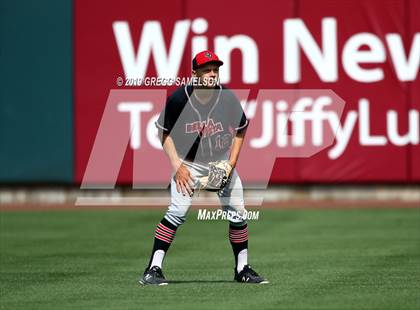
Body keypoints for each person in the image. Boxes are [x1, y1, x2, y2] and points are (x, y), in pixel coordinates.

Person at [139, 50, 268, 285]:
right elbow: (163, 131)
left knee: (238, 214)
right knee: (177, 212)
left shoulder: (227, 97)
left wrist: (230, 164)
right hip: (188, 163)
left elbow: (241, 129)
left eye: (215, 70)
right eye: (206, 70)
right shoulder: (180, 98)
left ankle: (243, 269)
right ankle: (152, 269)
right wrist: (178, 166)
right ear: (194, 73)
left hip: (220, 162)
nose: (212, 74)